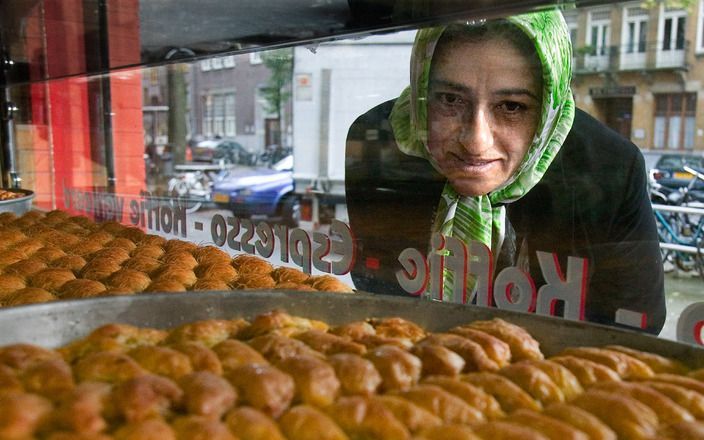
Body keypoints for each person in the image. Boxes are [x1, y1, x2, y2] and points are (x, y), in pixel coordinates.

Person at [345, 10, 666, 334]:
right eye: (450, 99)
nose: (475, 140)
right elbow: (378, 293)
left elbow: (632, 330)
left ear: (546, 109)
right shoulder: (379, 142)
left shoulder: (610, 169)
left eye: (512, 106)